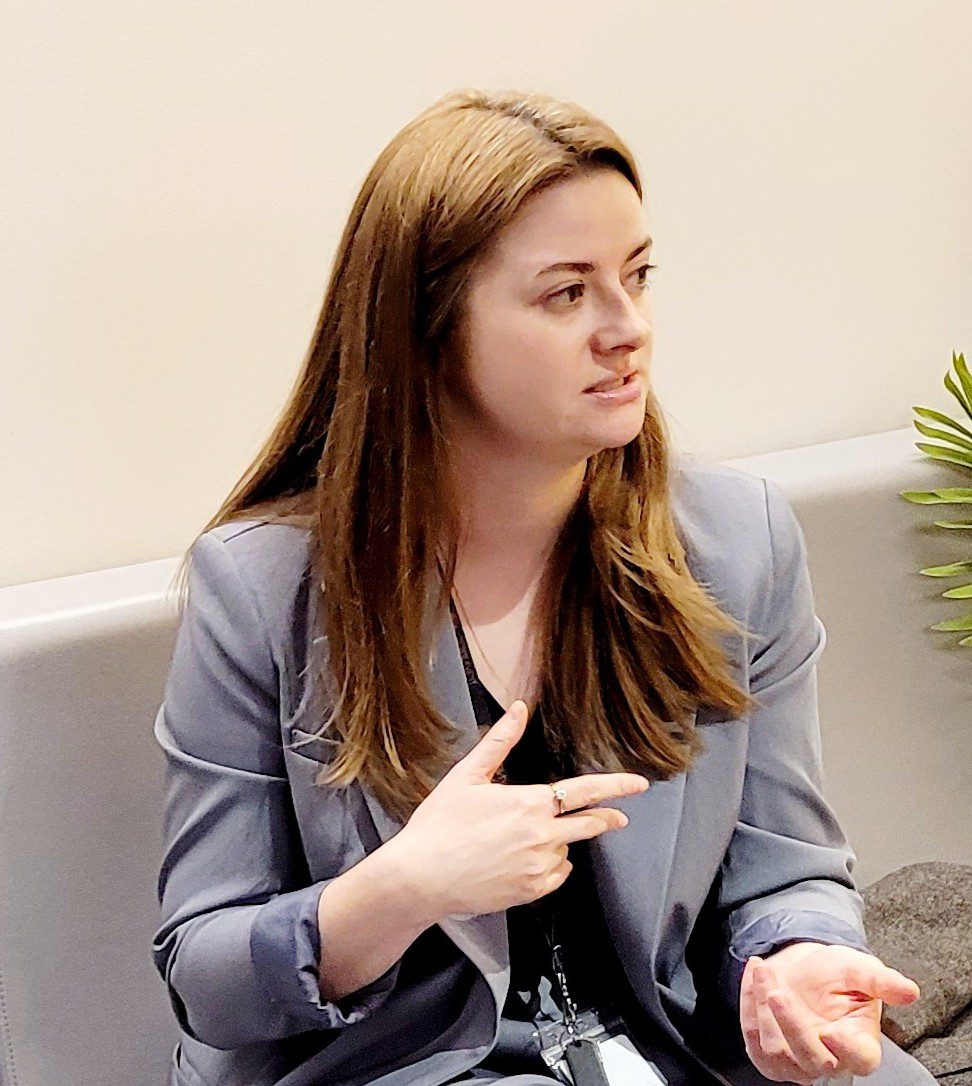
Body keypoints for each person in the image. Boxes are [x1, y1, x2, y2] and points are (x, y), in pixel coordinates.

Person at [152, 88, 936, 1086]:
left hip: (678, 1044)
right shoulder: (263, 587)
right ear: (428, 328)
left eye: (638, 276)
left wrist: (797, 961)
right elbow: (204, 976)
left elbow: (787, 868)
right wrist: (401, 890)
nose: (628, 328)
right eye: (567, 294)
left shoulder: (739, 542)